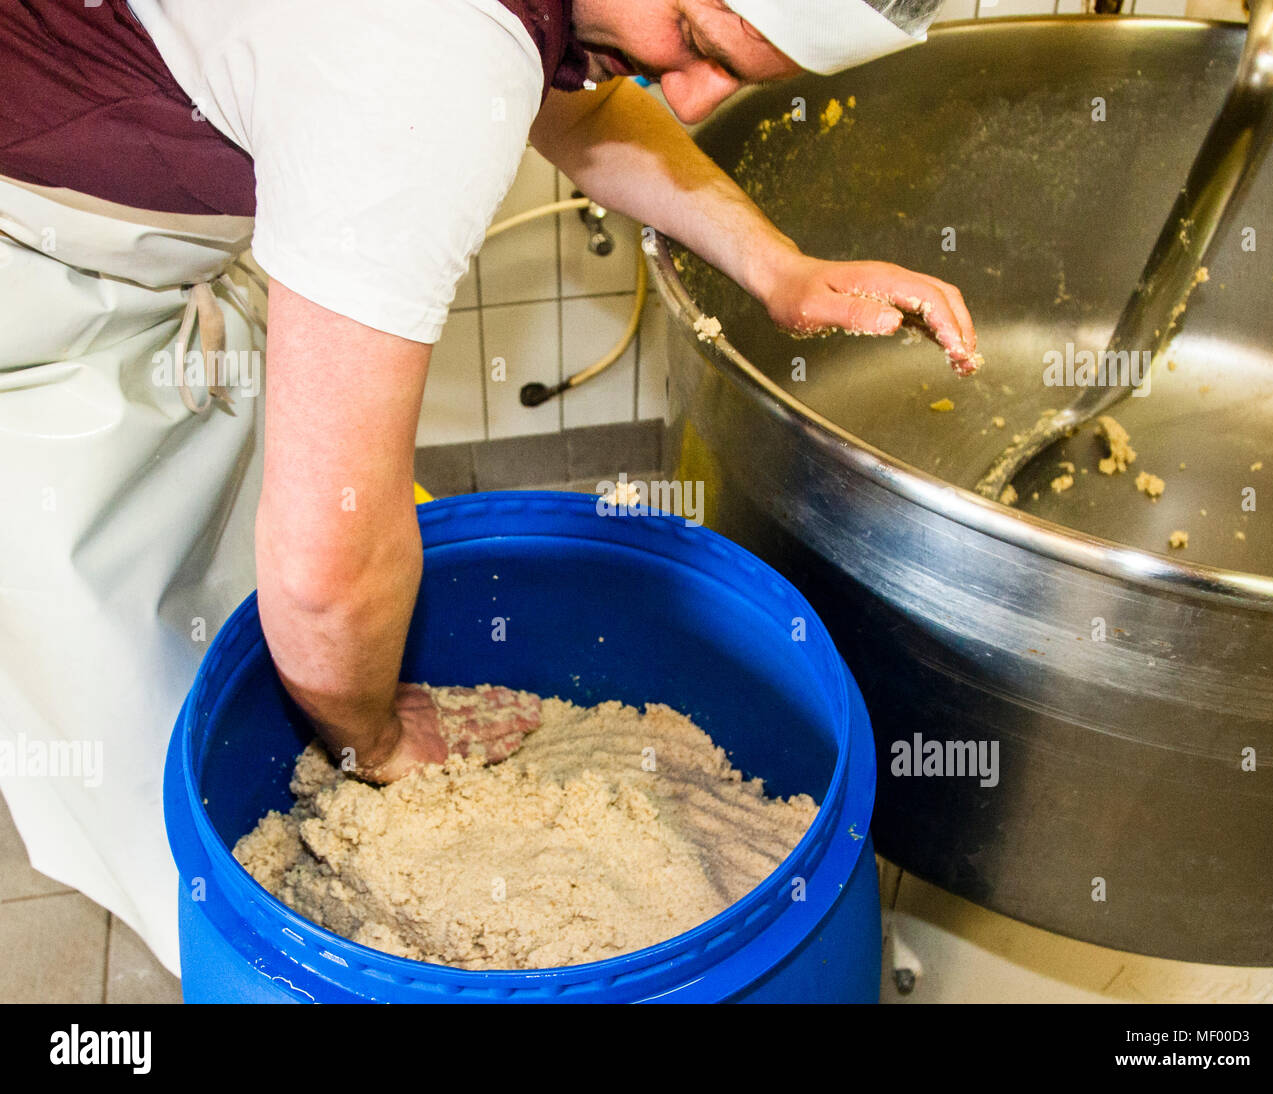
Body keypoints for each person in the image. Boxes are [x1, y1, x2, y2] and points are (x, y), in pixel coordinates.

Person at [0, 0, 977, 975]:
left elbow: (578, 107)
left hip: (131, 256)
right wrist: (380, 739)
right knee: (138, 740)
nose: (688, 99)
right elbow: (321, 571)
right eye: (692, 40)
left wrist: (778, 268)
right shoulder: (424, 58)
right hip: (41, 309)